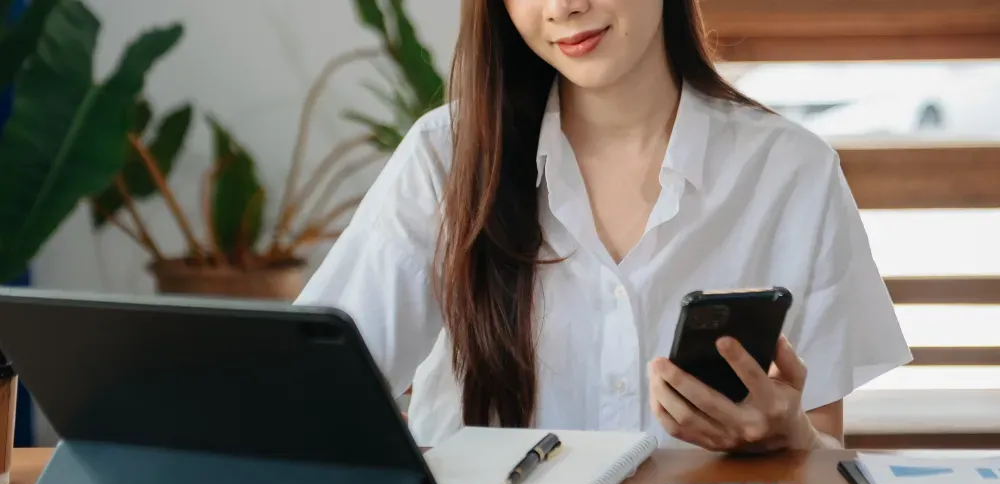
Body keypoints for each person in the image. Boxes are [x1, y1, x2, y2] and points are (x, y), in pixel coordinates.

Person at [296, 0, 912, 451]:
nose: (565, 7)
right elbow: (308, 389)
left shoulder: (789, 169)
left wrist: (789, 436)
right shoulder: (446, 159)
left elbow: (826, 449)